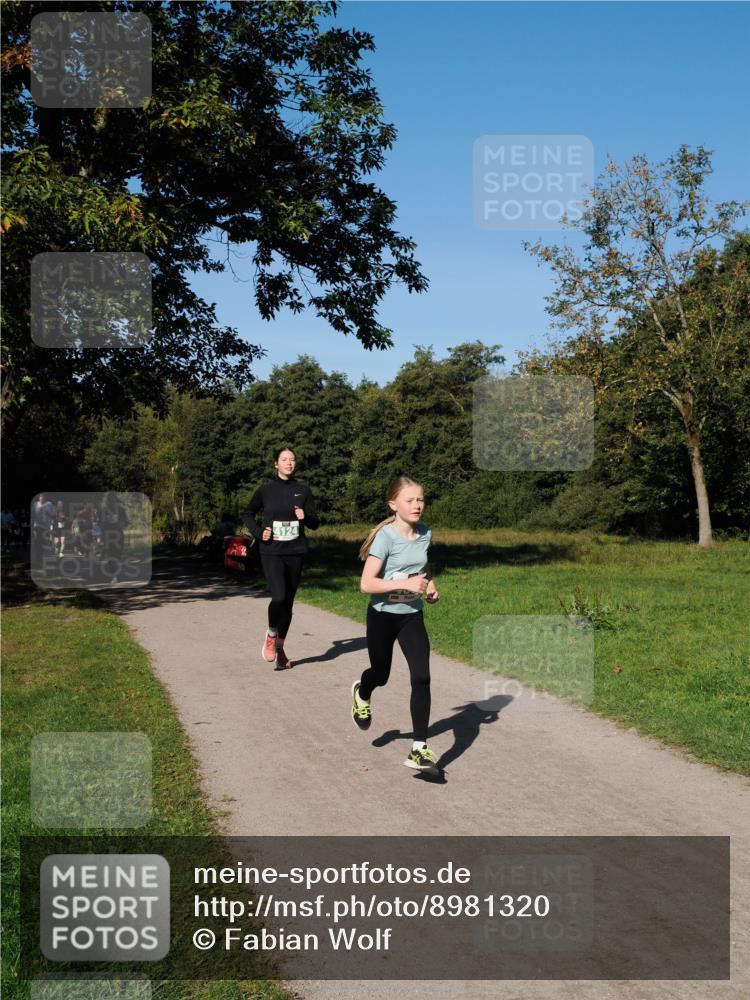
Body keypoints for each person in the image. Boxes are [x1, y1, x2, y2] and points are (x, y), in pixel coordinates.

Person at [352, 476, 441, 772]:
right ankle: (362, 692)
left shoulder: (425, 533)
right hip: (382, 616)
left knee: (422, 677)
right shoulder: (386, 538)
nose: (417, 505)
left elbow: (422, 567)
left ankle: (419, 748)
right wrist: (405, 582)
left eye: (420, 500)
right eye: (410, 500)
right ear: (394, 505)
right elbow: (366, 584)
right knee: (381, 674)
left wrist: (428, 586)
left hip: (410, 616)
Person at [243, 447, 319, 670]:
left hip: (295, 552)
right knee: (279, 597)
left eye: (292, 459)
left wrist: (305, 517)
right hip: (272, 552)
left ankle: (280, 650)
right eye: (284, 459)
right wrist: (259, 532)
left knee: (287, 604)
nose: (289, 463)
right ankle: (271, 633)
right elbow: (247, 514)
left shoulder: (303, 490)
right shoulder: (265, 490)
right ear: (276, 464)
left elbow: (315, 522)